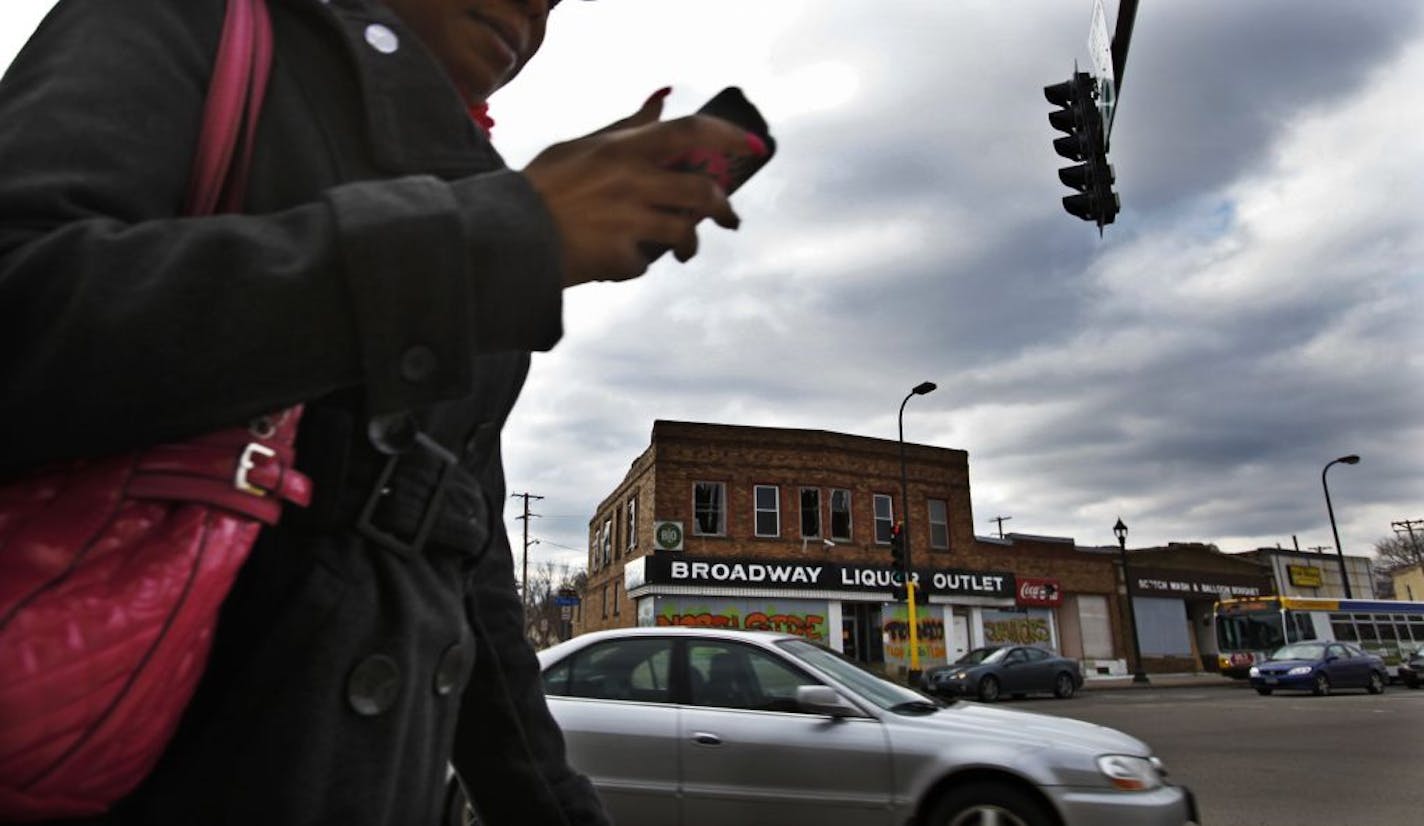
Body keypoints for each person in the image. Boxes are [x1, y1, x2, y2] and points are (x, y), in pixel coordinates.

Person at [0, 0, 766, 823]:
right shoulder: (196, 23)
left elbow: (462, 565)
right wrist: (496, 237)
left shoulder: (486, 187)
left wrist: (553, 807)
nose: (537, 7)